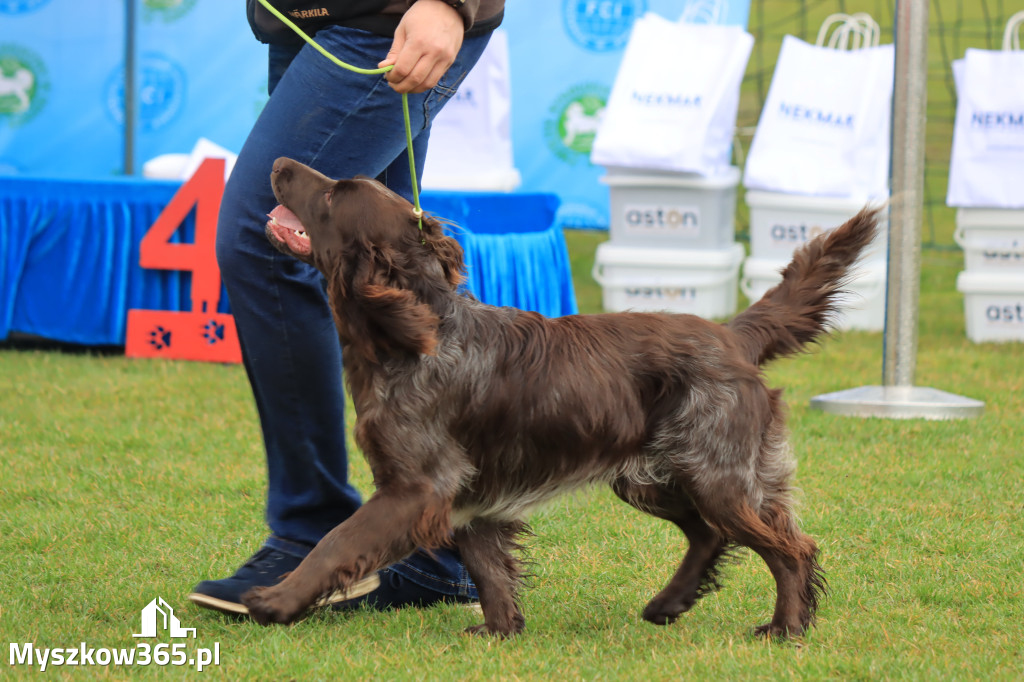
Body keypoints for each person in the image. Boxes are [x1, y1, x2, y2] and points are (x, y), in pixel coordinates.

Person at [188, 0, 505, 617]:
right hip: (307, 21)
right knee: (382, 265)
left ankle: (313, 527)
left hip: (390, 20)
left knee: (266, 238)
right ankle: (438, 545)